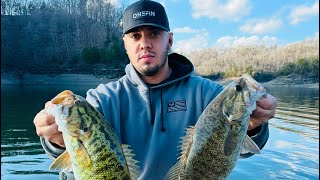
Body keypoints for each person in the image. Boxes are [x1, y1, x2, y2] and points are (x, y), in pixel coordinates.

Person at [33, 0, 277, 179]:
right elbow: (77, 160)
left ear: (169, 40)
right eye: (135, 36)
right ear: (125, 45)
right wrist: (56, 138)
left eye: (154, 33)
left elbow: (240, 152)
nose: (145, 43)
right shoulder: (101, 100)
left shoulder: (208, 95)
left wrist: (255, 124)